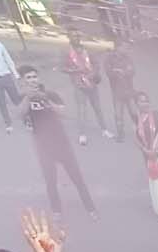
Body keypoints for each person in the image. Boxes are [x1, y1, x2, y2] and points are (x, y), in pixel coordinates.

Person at [17, 64, 98, 216]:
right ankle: (57, 212)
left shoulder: (50, 94)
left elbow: (63, 113)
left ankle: (91, 209)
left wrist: (45, 99)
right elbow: (20, 114)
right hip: (42, 146)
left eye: (34, 76)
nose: (33, 80)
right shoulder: (22, 98)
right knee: (50, 181)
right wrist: (28, 97)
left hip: (61, 142)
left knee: (77, 178)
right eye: (29, 77)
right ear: (23, 81)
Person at [61, 31, 112, 144]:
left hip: (91, 82)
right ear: (69, 38)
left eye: (78, 36)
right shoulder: (66, 52)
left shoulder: (86, 50)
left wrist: (94, 73)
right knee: (82, 110)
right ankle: (82, 134)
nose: (77, 38)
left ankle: (104, 129)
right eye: (74, 36)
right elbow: (63, 68)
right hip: (78, 84)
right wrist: (75, 70)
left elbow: (96, 64)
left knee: (97, 108)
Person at [104, 44, 138, 142]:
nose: (125, 49)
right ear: (117, 48)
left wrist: (122, 72)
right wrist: (119, 72)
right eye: (123, 47)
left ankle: (140, 131)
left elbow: (132, 71)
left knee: (133, 112)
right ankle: (120, 134)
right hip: (117, 91)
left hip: (129, 89)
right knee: (118, 114)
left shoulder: (127, 58)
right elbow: (109, 73)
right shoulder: (109, 59)